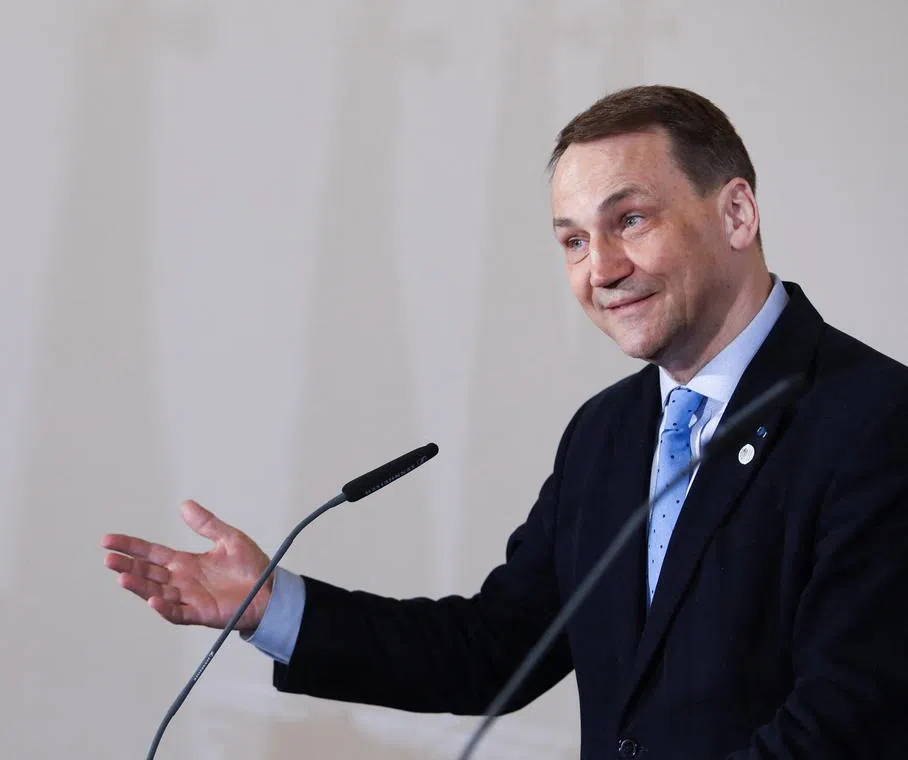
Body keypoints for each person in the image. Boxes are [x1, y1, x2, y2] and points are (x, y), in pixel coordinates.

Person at [102, 85, 908, 758]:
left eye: (630, 220)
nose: (603, 270)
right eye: (572, 240)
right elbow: (496, 650)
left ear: (736, 215)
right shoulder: (607, 434)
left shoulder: (875, 419)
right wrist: (272, 605)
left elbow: (848, 721)